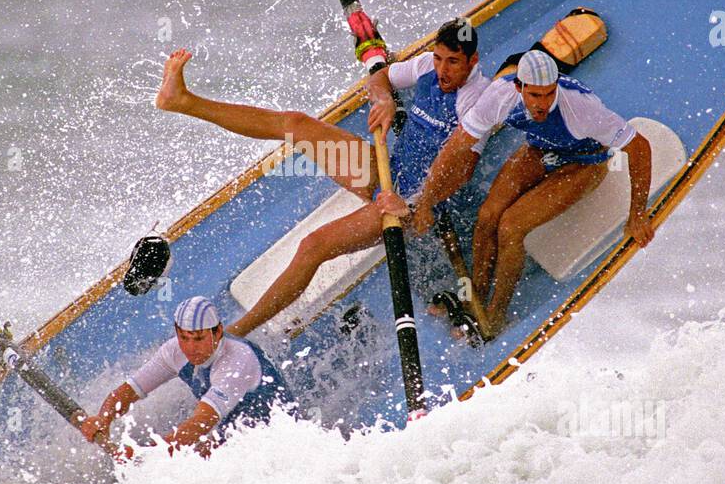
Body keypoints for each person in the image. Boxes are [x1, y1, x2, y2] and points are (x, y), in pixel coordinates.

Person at [154, 18, 490, 337]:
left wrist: (417, 204)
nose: (442, 71)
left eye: (453, 63)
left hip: (415, 205)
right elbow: (379, 78)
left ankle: (234, 333)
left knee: (313, 246)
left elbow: (461, 172)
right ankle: (184, 101)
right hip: (390, 170)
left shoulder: (478, 102)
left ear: (472, 60)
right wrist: (385, 99)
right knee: (296, 124)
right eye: (438, 59)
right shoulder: (426, 68)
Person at [391, 47, 654, 332]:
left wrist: (637, 213)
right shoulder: (500, 95)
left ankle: (495, 315)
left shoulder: (582, 108)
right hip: (540, 150)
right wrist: (426, 199)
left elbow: (639, 147)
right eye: (535, 95)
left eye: (549, 94)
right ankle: (476, 294)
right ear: (519, 87)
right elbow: (456, 145)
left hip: (584, 162)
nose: (543, 104)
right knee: (488, 214)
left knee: (510, 226)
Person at [79, 296, 291, 458]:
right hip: (235, 434)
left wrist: (146, 454)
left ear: (217, 332)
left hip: (280, 441)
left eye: (198, 339)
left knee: (190, 454)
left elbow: (199, 425)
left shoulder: (236, 361)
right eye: (184, 338)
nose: (191, 348)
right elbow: (127, 392)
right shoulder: (174, 351)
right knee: (192, 456)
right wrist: (103, 418)